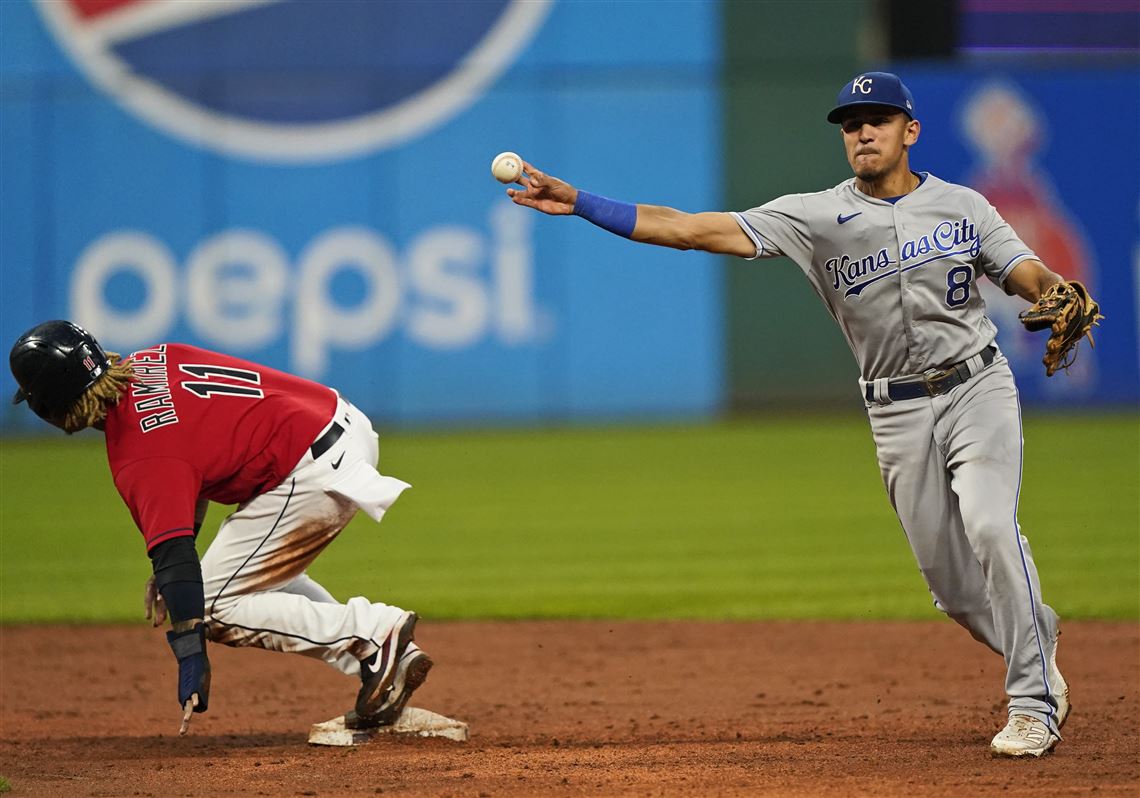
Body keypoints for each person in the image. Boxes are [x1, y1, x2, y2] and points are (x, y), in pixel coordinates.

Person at [504, 72, 1076, 757]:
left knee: (988, 523)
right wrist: (581, 200)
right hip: (894, 411)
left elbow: (1027, 273)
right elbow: (688, 229)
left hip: (976, 389)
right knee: (953, 589)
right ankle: (1033, 633)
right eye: (851, 122)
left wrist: (1055, 293)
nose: (863, 131)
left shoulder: (964, 207)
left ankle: (1033, 700)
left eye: (879, 119)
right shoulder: (813, 215)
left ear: (910, 130)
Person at [9, 320, 432, 735]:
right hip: (341, 424)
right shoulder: (155, 358)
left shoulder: (138, 452)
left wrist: (190, 650)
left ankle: (373, 635)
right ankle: (381, 655)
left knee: (213, 603)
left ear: (50, 404)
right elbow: (197, 460)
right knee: (251, 576)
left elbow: (174, 554)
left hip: (308, 467)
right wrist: (174, 572)